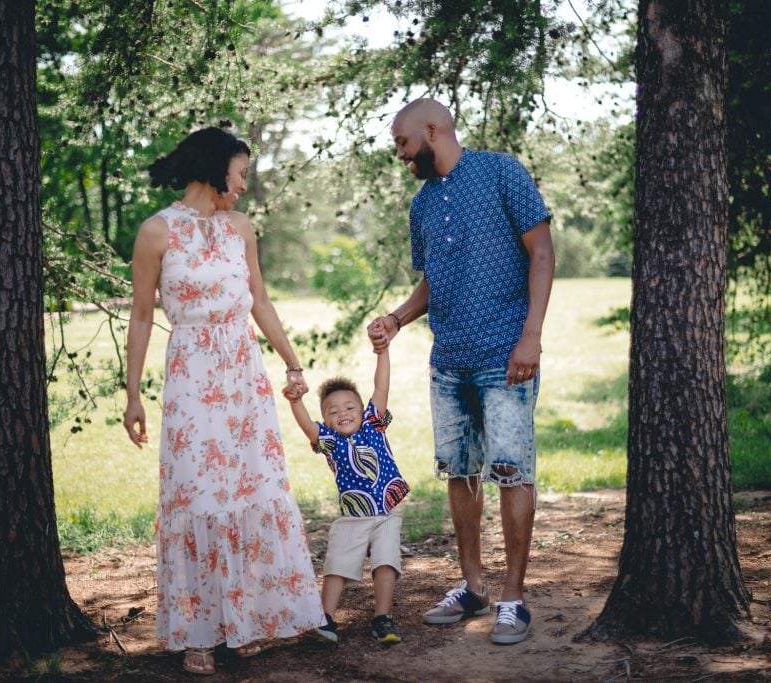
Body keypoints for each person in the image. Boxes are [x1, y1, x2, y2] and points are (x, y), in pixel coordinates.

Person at [123, 126, 326, 675]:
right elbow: (142, 316)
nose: (242, 187)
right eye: (239, 175)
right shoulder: (156, 232)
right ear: (215, 169)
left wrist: (292, 360)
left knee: (247, 492)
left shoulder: (240, 228)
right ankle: (199, 632)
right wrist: (133, 394)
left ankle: (245, 621)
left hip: (243, 377)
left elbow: (259, 299)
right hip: (191, 377)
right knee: (198, 495)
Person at [368, 98, 555, 646]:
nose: (401, 155)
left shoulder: (501, 172)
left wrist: (531, 337)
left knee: (512, 471)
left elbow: (541, 253)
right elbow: (431, 280)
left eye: (403, 144)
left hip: (507, 357)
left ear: (432, 130)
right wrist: (397, 318)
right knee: (459, 472)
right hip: (448, 361)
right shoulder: (422, 205)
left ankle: (513, 598)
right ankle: (472, 586)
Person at [284, 326, 410, 645]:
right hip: (353, 516)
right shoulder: (329, 440)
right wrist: (296, 402)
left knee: (385, 562)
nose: (343, 413)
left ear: (361, 409)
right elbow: (306, 426)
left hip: (386, 512)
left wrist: (382, 353)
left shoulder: (373, 423)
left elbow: (381, 386)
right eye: (333, 411)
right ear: (326, 420)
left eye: (349, 407)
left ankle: (382, 617)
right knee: (337, 565)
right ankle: (325, 618)